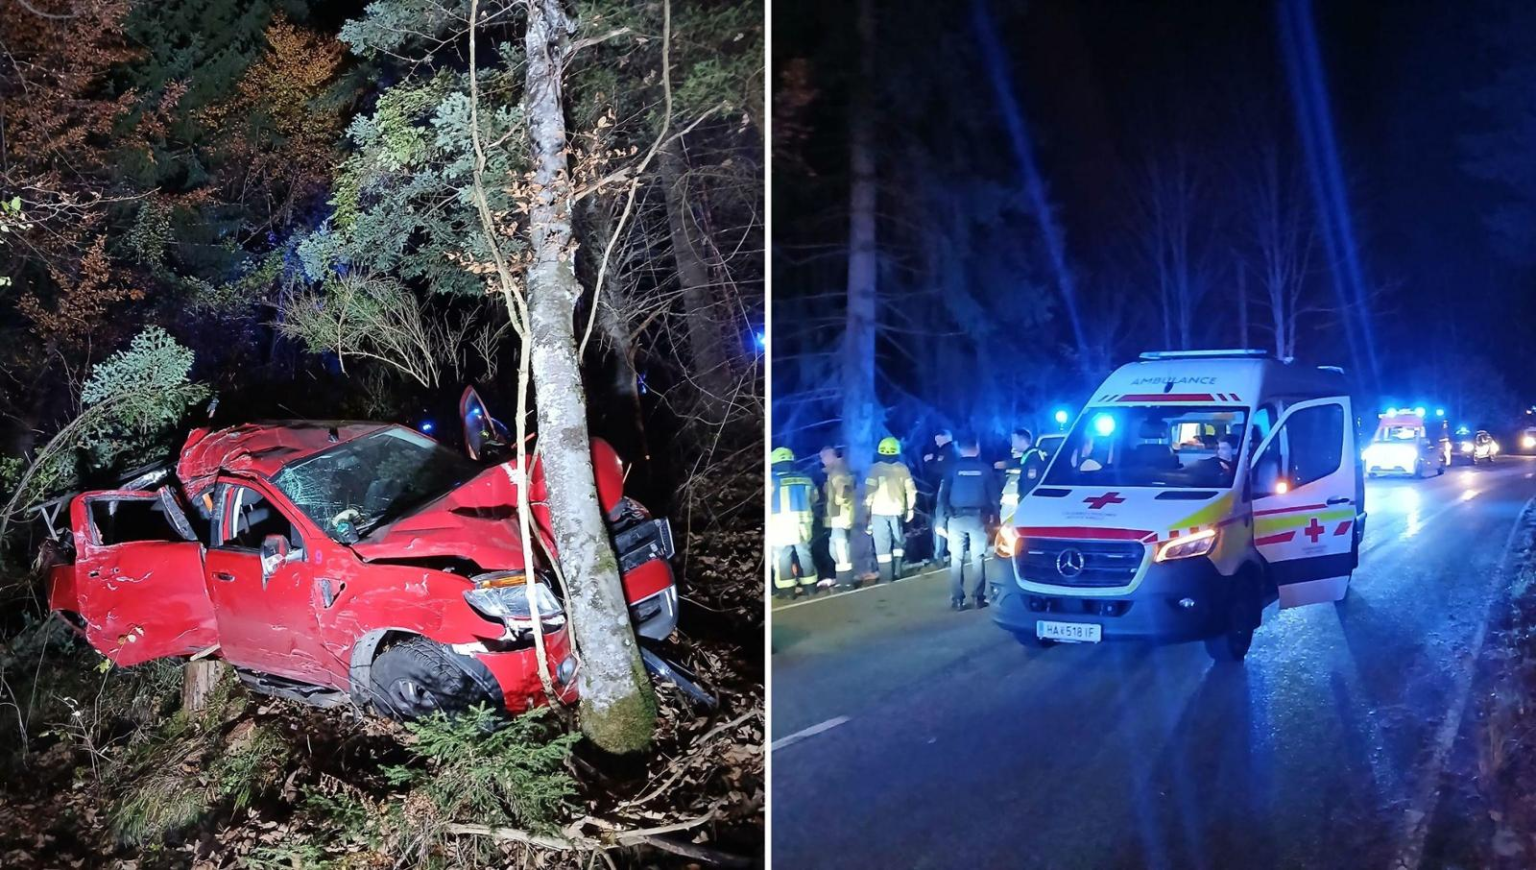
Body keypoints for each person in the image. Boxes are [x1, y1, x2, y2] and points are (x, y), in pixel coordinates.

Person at [936, 433, 1000, 611]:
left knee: (956, 559)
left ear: (960, 449)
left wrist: (940, 521)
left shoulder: (952, 469)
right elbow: (994, 498)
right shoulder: (985, 469)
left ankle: (957, 600)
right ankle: (978, 598)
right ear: (977, 448)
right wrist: (996, 520)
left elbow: (943, 496)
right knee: (977, 557)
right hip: (978, 518)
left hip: (955, 519)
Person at [769, 447, 819, 598]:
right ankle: (810, 587)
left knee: (783, 555)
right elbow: (814, 499)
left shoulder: (771, 480)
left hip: (779, 523)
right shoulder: (805, 479)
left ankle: (788, 591)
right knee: (804, 553)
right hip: (803, 522)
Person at [866, 436, 917, 583]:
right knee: (898, 541)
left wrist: (867, 511)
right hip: (897, 510)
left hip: (878, 511)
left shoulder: (874, 469)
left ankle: (886, 576)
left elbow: (869, 492)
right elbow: (911, 491)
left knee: (883, 544)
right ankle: (897, 571)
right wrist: (910, 508)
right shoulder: (902, 468)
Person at [820, 446, 857, 589]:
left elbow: (843, 489)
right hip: (838, 515)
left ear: (832, 456)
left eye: (824, 457)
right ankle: (844, 579)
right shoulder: (836, 471)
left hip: (840, 515)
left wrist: (839, 501)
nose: (822, 460)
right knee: (837, 546)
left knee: (840, 547)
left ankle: (846, 581)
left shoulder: (838, 471)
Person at [924, 429, 958, 563]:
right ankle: (953, 552)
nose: (936, 443)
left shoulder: (947, 451)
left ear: (944, 438)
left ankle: (939, 556)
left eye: (938, 440)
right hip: (955, 489)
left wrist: (929, 461)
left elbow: (938, 470)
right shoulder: (956, 450)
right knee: (948, 521)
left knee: (939, 522)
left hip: (946, 488)